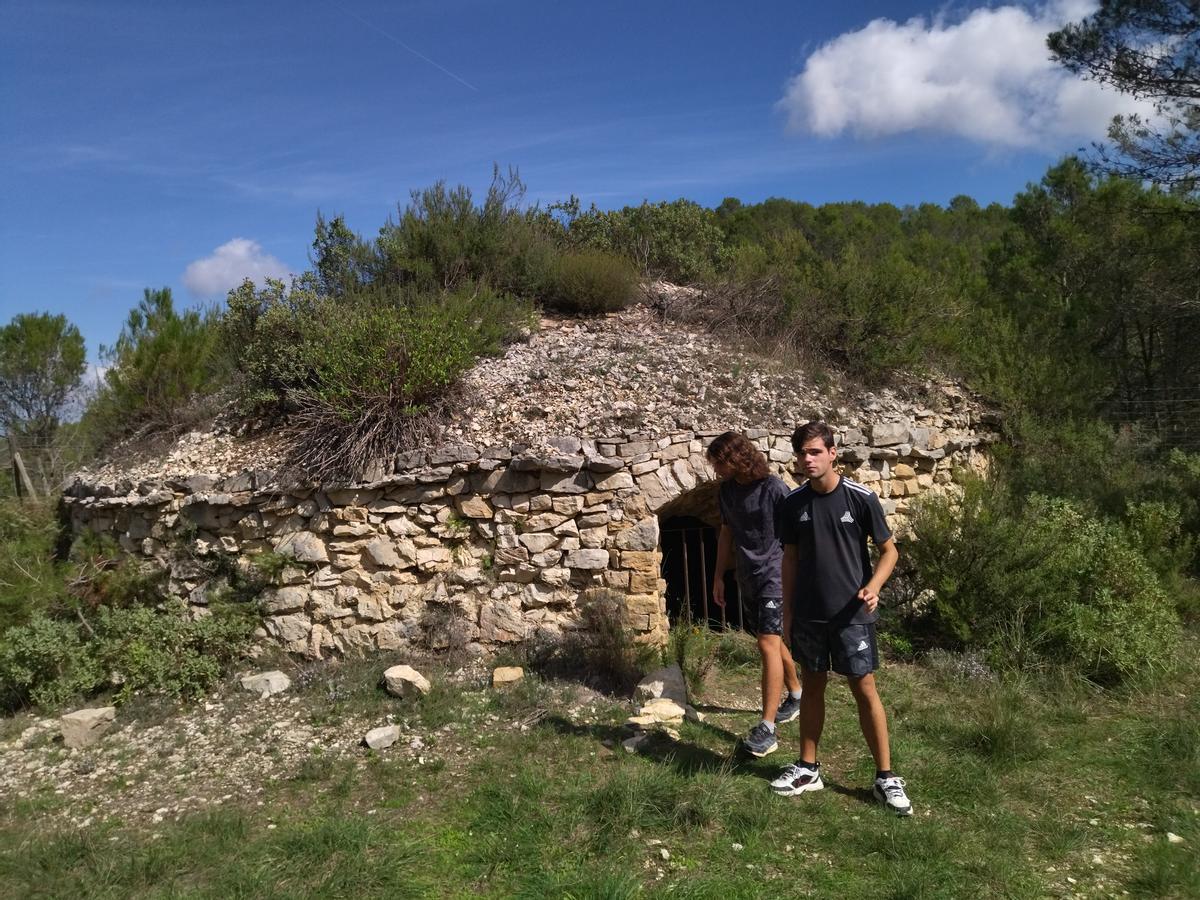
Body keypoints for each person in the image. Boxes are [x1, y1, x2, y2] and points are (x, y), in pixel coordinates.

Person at [770, 421, 913, 816]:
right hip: (811, 616)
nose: (807, 460)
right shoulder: (793, 503)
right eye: (801, 453)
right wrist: (788, 610)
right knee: (812, 687)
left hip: (852, 615)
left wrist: (875, 587)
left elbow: (889, 552)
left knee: (864, 687)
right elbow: (790, 559)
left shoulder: (860, 498)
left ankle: (885, 777)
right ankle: (808, 768)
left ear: (833, 453)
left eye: (815, 452)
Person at [706, 431, 804, 758]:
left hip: (775, 574)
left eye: (719, 462)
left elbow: (799, 533)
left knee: (766, 642)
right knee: (771, 641)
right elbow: (725, 534)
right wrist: (719, 575)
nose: (715, 469)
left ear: (735, 459)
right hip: (746, 575)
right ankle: (796, 693)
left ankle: (768, 728)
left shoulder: (774, 489)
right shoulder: (727, 492)